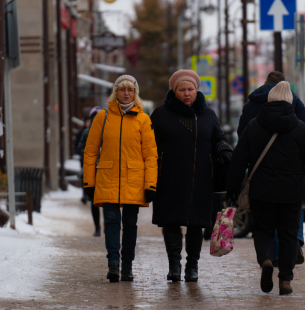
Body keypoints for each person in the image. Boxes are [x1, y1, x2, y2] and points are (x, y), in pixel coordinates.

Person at [226, 82, 305, 295]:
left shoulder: (254, 126)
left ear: (269, 100)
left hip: (261, 191)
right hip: (291, 192)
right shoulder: (299, 127)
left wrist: (232, 188)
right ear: (290, 102)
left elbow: (239, 160)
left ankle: (265, 261)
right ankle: (285, 280)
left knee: (263, 229)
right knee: (289, 234)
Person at [151, 69, 232, 283]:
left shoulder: (208, 114)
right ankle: (174, 266)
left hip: (201, 179)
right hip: (169, 178)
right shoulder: (160, 114)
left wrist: (223, 148)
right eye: (182, 89)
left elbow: (218, 138)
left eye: (190, 89)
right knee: (171, 222)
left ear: (197, 91)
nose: (187, 93)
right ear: (174, 91)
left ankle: (192, 267)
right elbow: (148, 145)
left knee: (197, 223)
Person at [83, 75, 158, 283]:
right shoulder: (103, 117)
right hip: (107, 178)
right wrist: (89, 181)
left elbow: (151, 155)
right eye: (122, 89)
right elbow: (90, 152)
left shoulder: (143, 119)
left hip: (134, 179)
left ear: (135, 93)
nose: (126, 93)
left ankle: (127, 266)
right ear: (115, 92)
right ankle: (113, 264)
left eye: (130, 90)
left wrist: (150, 184)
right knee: (112, 221)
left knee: (130, 224)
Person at [237, 71, 305, 265]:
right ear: (284, 84)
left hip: (260, 169)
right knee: (290, 212)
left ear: (265, 82)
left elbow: (242, 135)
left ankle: (269, 256)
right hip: (290, 169)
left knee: (264, 218)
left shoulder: (251, 104)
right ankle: (293, 246)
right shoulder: (295, 102)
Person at [77, 109, 102, 236]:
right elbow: (80, 148)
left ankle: (109, 227)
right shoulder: (87, 132)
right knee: (94, 200)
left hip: (106, 170)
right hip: (92, 169)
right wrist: (88, 155)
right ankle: (97, 227)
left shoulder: (108, 130)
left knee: (110, 202)